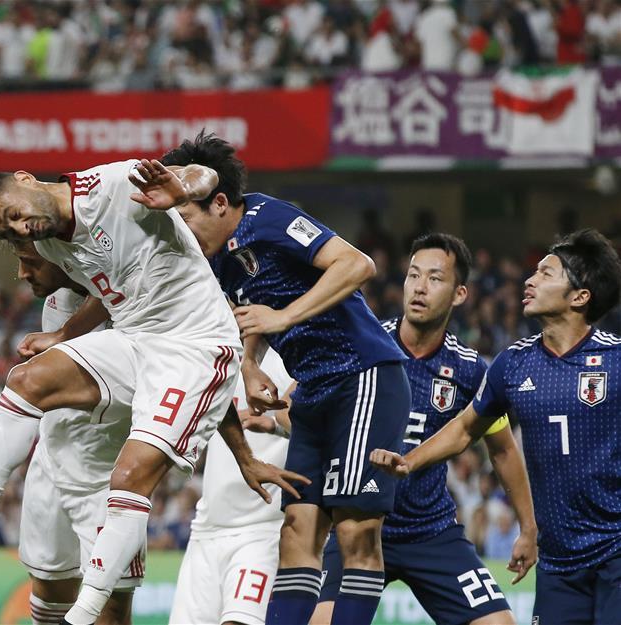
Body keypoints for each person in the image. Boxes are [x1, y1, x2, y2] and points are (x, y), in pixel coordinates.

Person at [0, 156, 305, 625]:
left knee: (128, 478)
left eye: (12, 215)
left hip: (194, 349)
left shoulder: (109, 185)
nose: (20, 230)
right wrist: (66, 335)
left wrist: (181, 189)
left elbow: (202, 174)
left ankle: (81, 616)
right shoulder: (51, 245)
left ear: (25, 179)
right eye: (8, 233)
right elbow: (107, 290)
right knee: (27, 381)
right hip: (136, 341)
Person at [161, 132, 410, 625]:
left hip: (362, 375)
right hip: (314, 388)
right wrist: (250, 364)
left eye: (185, 218)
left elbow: (357, 264)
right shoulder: (215, 258)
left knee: (356, 533)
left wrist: (284, 318)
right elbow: (252, 308)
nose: (182, 231)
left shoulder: (268, 218)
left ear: (218, 202)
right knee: (296, 528)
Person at [371, 229, 621, 625]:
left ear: (580, 296)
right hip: (558, 566)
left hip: (614, 550)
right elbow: (466, 428)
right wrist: (411, 460)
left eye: (546, 274)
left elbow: (500, 447)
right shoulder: (512, 364)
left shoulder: (615, 360)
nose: (529, 280)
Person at [315, 233, 537, 625]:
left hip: (431, 532)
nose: (420, 287)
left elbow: (502, 449)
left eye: (435, 279)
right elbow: (304, 405)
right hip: (359, 525)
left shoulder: (469, 369)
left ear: (459, 294)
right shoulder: (362, 344)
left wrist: (528, 527)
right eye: (413, 275)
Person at [12, 242, 139, 625]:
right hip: (50, 461)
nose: (22, 274)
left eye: (30, 262)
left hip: (107, 472)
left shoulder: (132, 305)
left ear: (62, 257)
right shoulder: (58, 301)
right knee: (49, 588)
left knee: (110, 605)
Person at [170, 347, 294, 625]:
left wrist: (276, 425)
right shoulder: (219, 355)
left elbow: (323, 430)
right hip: (207, 526)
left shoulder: (296, 357)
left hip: (264, 529)